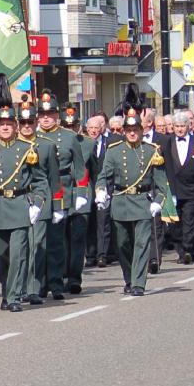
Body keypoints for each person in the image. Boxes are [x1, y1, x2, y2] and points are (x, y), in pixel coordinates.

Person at [0, 75, 48, 312]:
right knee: (1, 255)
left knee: (18, 255)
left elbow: (40, 180)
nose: (5, 127)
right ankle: (7, 289)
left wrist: (37, 203)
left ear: (15, 126)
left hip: (19, 205)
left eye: (9, 124)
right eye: (1, 124)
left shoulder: (27, 149)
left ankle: (13, 297)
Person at [95, 100, 170, 297]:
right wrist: (101, 190)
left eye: (135, 129)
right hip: (121, 202)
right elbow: (104, 176)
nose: (132, 133)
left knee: (141, 244)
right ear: (124, 131)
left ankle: (138, 283)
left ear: (141, 130)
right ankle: (129, 277)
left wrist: (159, 201)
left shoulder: (151, 151)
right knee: (122, 245)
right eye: (128, 130)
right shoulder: (114, 151)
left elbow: (161, 182)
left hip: (142, 201)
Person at [17, 97, 59, 302]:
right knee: (19, 247)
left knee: (36, 244)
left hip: (40, 198)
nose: (26, 126)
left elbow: (54, 178)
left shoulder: (47, 146)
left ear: (36, 123)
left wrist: (57, 206)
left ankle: (33, 288)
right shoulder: (11, 145)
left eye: (30, 122)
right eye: (23, 122)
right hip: (17, 200)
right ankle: (18, 287)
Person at [51, 103, 92, 293]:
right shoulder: (55, 142)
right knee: (60, 239)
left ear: (79, 126)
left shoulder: (88, 143)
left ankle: (75, 277)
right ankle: (61, 275)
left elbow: (93, 170)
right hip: (63, 193)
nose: (70, 129)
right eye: (67, 126)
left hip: (81, 195)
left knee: (77, 239)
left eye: (73, 125)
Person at [159, 110, 194, 264]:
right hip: (173, 188)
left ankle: (189, 249)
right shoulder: (168, 142)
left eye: (182, 126)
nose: (179, 129)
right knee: (175, 223)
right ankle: (181, 251)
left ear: (188, 126)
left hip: (192, 188)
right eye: (177, 126)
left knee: (190, 220)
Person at [85, 113, 113, 267]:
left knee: (103, 221)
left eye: (96, 127)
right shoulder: (82, 143)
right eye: (91, 128)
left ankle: (102, 255)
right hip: (88, 187)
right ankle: (90, 254)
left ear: (102, 128)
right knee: (89, 222)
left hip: (105, 187)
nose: (94, 131)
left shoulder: (109, 144)